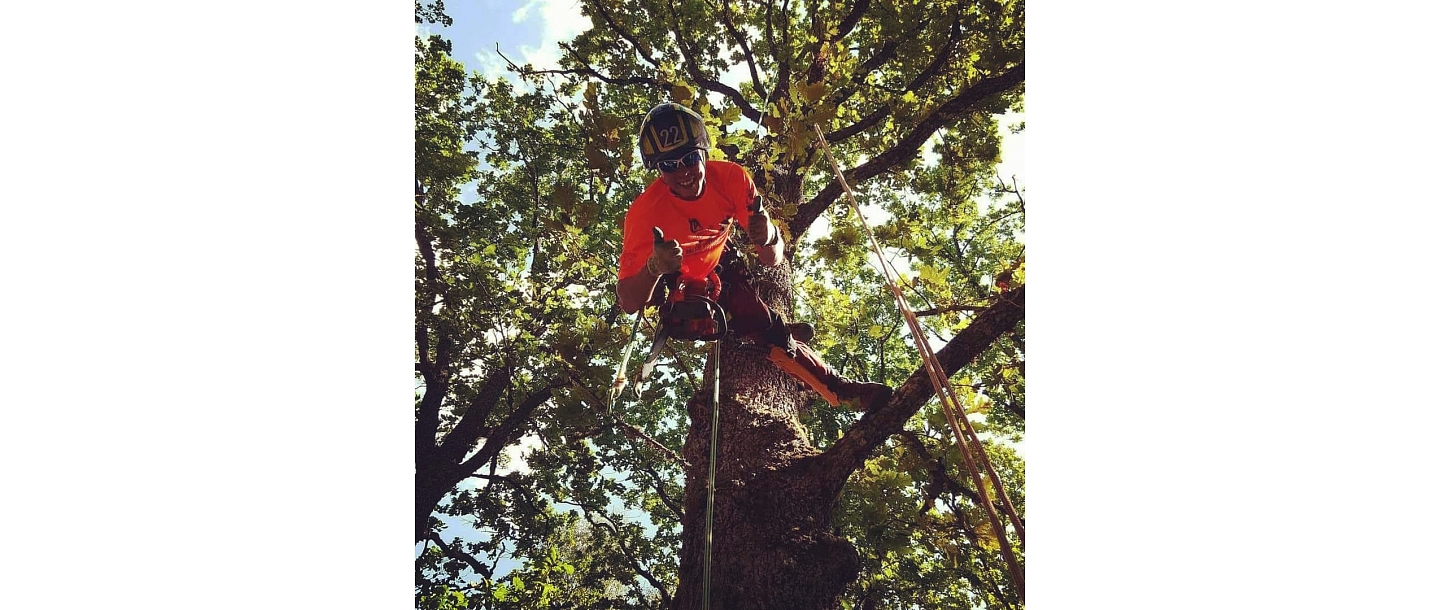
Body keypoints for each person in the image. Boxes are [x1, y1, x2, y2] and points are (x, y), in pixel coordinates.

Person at [616, 102, 891, 410]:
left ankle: (835, 389)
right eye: (669, 165)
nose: (683, 172)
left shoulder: (732, 179)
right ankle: (823, 376)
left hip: (721, 261)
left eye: (690, 158)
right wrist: (654, 266)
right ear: (658, 169)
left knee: (768, 328)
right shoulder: (644, 214)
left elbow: (773, 259)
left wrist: (768, 234)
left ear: (704, 152)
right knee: (735, 317)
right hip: (676, 277)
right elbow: (628, 301)